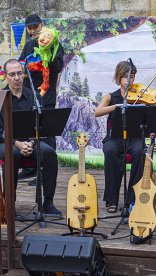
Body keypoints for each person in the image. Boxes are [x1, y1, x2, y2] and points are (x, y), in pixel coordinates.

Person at [95, 61, 156, 213]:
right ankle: (112, 199)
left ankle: (132, 200)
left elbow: (152, 115)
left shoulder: (141, 97)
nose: (128, 80)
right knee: (110, 151)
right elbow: (98, 112)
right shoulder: (111, 97)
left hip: (135, 138)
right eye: (125, 77)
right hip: (115, 138)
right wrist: (117, 107)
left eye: (131, 77)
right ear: (118, 77)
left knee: (140, 151)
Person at [0, 59, 61, 215]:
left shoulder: (33, 95)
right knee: (12, 153)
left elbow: (41, 126)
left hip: (30, 142)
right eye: (12, 74)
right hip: (6, 142)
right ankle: (10, 205)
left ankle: (47, 203)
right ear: (5, 76)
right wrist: (17, 144)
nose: (16, 78)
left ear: (24, 74)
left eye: (19, 73)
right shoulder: (1, 97)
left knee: (49, 153)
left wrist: (31, 143)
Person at [18, 14, 64, 181]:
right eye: (29, 28)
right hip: (29, 95)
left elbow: (58, 67)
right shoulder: (29, 45)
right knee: (29, 130)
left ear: (42, 25)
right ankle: (31, 168)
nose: (32, 31)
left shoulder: (54, 44)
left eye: (35, 27)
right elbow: (20, 64)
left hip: (46, 95)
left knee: (46, 133)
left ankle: (46, 172)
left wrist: (46, 52)